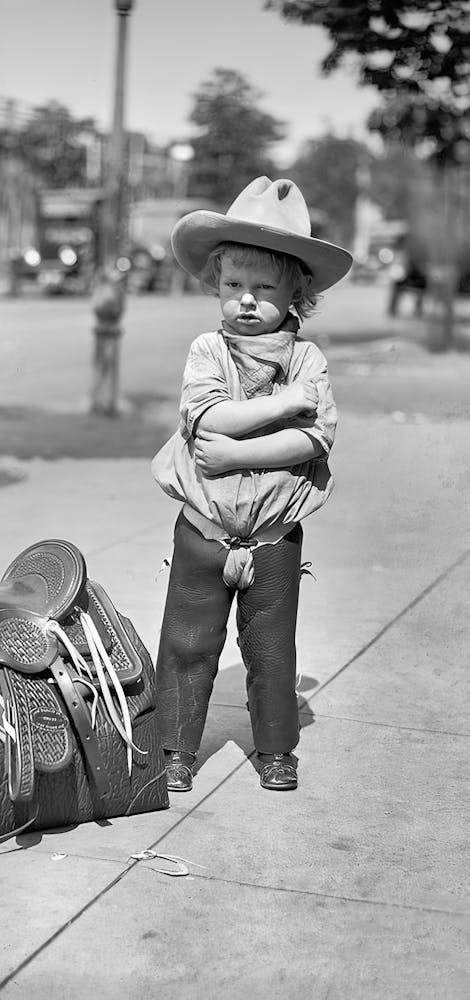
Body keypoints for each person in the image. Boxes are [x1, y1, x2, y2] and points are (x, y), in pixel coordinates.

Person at [151, 176, 352, 793]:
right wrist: (275, 413)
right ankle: (173, 747)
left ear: (298, 291)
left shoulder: (305, 362)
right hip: (204, 529)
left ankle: (275, 749)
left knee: (270, 647)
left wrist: (235, 452)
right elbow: (207, 418)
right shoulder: (208, 349)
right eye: (233, 284)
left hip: (272, 535)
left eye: (264, 287)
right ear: (216, 283)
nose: (245, 299)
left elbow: (314, 439)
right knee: (187, 640)